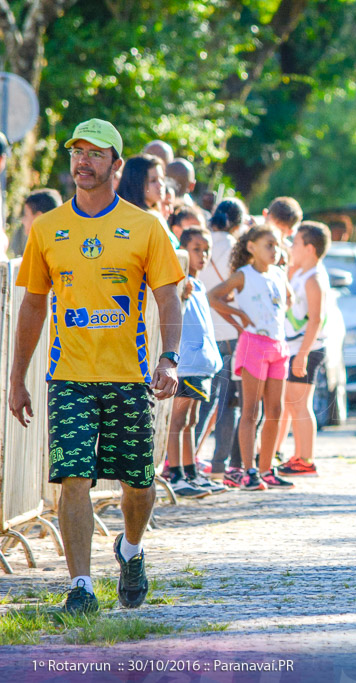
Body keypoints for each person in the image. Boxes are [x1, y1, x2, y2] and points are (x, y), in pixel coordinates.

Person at [7, 118, 184, 614]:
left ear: (116, 165)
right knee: (73, 479)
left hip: (129, 378)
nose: (83, 161)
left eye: (95, 153)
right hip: (69, 378)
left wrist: (168, 358)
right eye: (77, 152)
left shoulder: (147, 227)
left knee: (139, 485)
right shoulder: (48, 228)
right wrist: (17, 378)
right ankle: (82, 587)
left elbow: (170, 299)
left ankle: (130, 548)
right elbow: (32, 306)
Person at [208, 223, 294, 491]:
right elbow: (213, 297)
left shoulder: (279, 274)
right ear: (251, 247)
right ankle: (249, 471)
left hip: (278, 346)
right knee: (251, 410)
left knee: (276, 410)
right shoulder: (243, 275)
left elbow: (287, 300)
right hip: (253, 346)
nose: (274, 250)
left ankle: (268, 469)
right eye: (269, 245)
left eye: (277, 245)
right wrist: (239, 319)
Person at [164, 226, 226, 498]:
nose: (202, 255)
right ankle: (175, 473)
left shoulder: (200, 285)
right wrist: (182, 293)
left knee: (192, 419)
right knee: (176, 420)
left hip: (202, 364)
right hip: (186, 364)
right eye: (196, 249)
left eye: (206, 250)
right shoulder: (179, 284)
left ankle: (190, 471)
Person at [194, 198, 248, 485]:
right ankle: (219, 467)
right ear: (238, 224)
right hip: (231, 332)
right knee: (230, 404)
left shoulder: (196, 242)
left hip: (202, 333)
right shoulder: (239, 248)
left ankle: (186, 464)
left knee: (200, 403)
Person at [275, 221, 332, 477]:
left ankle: (306, 459)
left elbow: (316, 319)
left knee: (300, 404)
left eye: (296, 243)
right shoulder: (300, 272)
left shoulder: (314, 279)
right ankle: (298, 455)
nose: (291, 247)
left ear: (309, 248)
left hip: (308, 348)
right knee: (292, 402)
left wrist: (303, 354)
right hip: (297, 347)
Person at [118, 154, 177, 248]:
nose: (161, 185)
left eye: (162, 179)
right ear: (137, 183)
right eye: (153, 180)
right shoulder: (151, 218)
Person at [10, 189, 63, 258]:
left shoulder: (44, 255)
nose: (23, 220)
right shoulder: (65, 244)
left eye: (26, 215)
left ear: (39, 218)